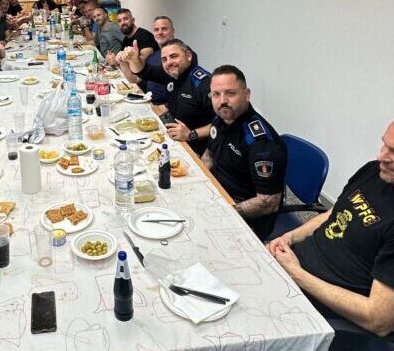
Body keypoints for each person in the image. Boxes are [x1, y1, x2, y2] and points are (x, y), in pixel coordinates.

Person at [268, 112, 394, 336]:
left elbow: (378, 320)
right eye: (385, 145)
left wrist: (296, 274)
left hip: (317, 308)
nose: (382, 157)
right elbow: (337, 212)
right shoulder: (377, 172)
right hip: (292, 268)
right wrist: (290, 237)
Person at [200, 65, 287, 239]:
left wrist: (224, 211)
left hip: (243, 214)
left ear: (246, 94)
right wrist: (198, 181)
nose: (222, 100)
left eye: (230, 93)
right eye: (216, 94)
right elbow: (210, 154)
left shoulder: (261, 144)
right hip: (216, 192)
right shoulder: (222, 118)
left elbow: (268, 203)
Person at [119, 38, 213, 155]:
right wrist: (134, 58)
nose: (168, 62)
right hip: (174, 138)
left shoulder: (204, 83)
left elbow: (223, 123)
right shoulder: (170, 73)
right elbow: (144, 71)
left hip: (196, 147)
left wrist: (191, 134)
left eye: (174, 56)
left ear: (188, 56)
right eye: (164, 59)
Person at [122, 15, 197, 107]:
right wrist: (133, 59)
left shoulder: (184, 53)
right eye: (156, 30)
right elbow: (143, 73)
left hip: (168, 108)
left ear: (173, 31)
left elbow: (187, 91)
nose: (160, 32)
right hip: (149, 101)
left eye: (164, 29)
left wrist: (165, 107)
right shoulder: (154, 55)